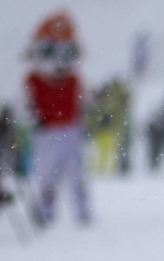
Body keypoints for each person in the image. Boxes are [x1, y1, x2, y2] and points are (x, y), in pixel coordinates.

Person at [24, 11, 91, 227]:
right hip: (48, 131)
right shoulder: (33, 80)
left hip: (71, 128)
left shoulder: (73, 79)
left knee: (76, 172)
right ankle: (44, 212)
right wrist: (32, 116)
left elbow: (85, 98)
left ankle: (83, 210)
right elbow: (25, 104)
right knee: (48, 175)